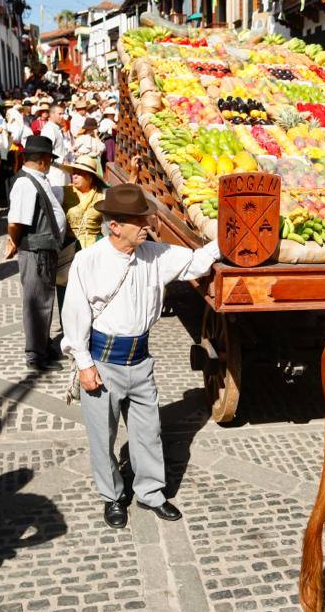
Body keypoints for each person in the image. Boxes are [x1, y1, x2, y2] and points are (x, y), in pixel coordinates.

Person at [61, 183, 222, 529]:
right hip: (102, 363)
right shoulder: (88, 261)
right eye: (138, 221)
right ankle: (112, 496)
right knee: (102, 436)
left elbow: (194, 263)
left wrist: (226, 240)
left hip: (141, 361)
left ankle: (151, 493)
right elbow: (74, 315)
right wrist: (84, 364)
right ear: (116, 225)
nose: (146, 225)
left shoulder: (154, 254)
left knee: (148, 431)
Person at [6, 135, 66, 372]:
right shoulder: (25, 183)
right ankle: (35, 355)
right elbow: (15, 222)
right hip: (36, 251)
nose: (50, 163)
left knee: (43, 300)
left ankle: (41, 343)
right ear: (43, 160)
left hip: (43, 249)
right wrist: (13, 242)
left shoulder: (36, 179)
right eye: (50, 159)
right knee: (36, 302)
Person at [55, 154, 106, 314]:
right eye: (74, 172)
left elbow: (123, 201)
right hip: (69, 246)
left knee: (92, 291)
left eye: (79, 173)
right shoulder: (63, 192)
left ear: (90, 178)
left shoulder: (102, 196)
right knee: (66, 287)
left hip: (94, 247)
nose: (74, 176)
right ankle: (68, 328)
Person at [39, 105, 71, 188]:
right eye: (60, 114)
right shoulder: (49, 129)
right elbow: (46, 150)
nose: (62, 116)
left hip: (61, 170)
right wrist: (62, 160)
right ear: (52, 114)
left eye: (63, 114)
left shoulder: (56, 128)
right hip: (54, 172)